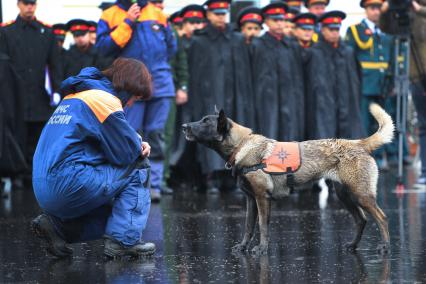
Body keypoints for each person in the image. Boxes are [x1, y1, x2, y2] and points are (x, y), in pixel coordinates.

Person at [31, 58, 156, 258]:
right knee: (140, 164)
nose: (132, 103)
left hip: (43, 186)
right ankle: (125, 241)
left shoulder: (75, 97)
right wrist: (140, 144)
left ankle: (58, 229)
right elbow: (128, 153)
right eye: (136, 98)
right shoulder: (104, 100)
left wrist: (133, 142)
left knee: (117, 212)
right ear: (130, 87)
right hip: (69, 182)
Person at [96, 0, 177, 201]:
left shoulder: (157, 13)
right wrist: (127, 22)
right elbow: (103, 48)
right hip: (130, 87)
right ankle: (131, 183)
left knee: (157, 135)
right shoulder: (110, 14)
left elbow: (172, 47)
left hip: (160, 85)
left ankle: (154, 185)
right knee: (130, 134)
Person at [187, 0, 253, 193]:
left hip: (235, 94)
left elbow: (244, 71)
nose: (221, 17)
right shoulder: (199, 40)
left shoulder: (236, 38)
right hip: (209, 95)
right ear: (208, 15)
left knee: (233, 135)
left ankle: (232, 177)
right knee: (210, 133)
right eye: (217, 13)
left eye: (224, 13)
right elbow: (195, 73)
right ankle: (210, 177)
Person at [0, 0, 62, 188]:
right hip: (13, 96)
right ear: (18, 5)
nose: (30, 8)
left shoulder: (46, 33)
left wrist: (58, 90)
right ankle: (16, 174)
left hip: (38, 95)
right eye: (26, 4)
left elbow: (55, 64)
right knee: (16, 134)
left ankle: (33, 177)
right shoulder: (6, 32)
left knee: (37, 136)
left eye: (33, 4)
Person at [380, 0, 426, 186]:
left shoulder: (420, 11)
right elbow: (387, 29)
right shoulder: (406, 15)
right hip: (416, 78)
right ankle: (425, 172)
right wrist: (385, 12)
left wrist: (420, 9)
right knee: (423, 125)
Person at [346, 0, 395, 170]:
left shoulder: (385, 30)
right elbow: (350, 60)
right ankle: (364, 159)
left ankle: (381, 156)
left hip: (384, 85)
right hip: (364, 84)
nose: (376, 11)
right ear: (366, 10)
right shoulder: (355, 30)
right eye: (372, 8)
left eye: (378, 8)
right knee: (364, 124)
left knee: (383, 123)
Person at [305, 11, 364, 140]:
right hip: (323, 108)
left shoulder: (348, 52)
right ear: (322, 30)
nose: (334, 32)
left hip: (346, 107)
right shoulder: (314, 53)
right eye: (331, 29)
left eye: (337, 29)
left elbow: (355, 82)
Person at [251, 2, 305, 142]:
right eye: (276, 20)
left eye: (282, 19)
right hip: (266, 99)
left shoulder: (292, 45)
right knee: (269, 134)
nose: (280, 23)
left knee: (290, 134)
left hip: (289, 98)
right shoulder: (257, 45)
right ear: (267, 22)